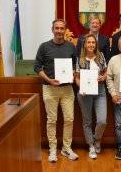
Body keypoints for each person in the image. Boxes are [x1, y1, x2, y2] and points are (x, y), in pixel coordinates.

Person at [34, 19, 78, 162]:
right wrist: (49, 80)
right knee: (52, 120)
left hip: (67, 89)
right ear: (52, 29)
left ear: (65, 30)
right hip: (49, 88)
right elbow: (37, 67)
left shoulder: (71, 46)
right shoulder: (44, 47)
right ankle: (53, 149)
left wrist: (73, 74)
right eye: (56, 28)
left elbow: (75, 66)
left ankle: (66, 148)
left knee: (69, 119)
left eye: (62, 28)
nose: (59, 31)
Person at [75, 34, 107, 159]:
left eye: (93, 42)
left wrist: (103, 77)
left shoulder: (101, 56)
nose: (91, 44)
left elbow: (106, 72)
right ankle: (91, 146)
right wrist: (80, 87)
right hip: (85, 93)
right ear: (85, 44)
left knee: (102, 121)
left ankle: (96, 139)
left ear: (96, 44)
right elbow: (76, 78)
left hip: (100, 91)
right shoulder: (80, 59)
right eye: (89, 42)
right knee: (87, 121)